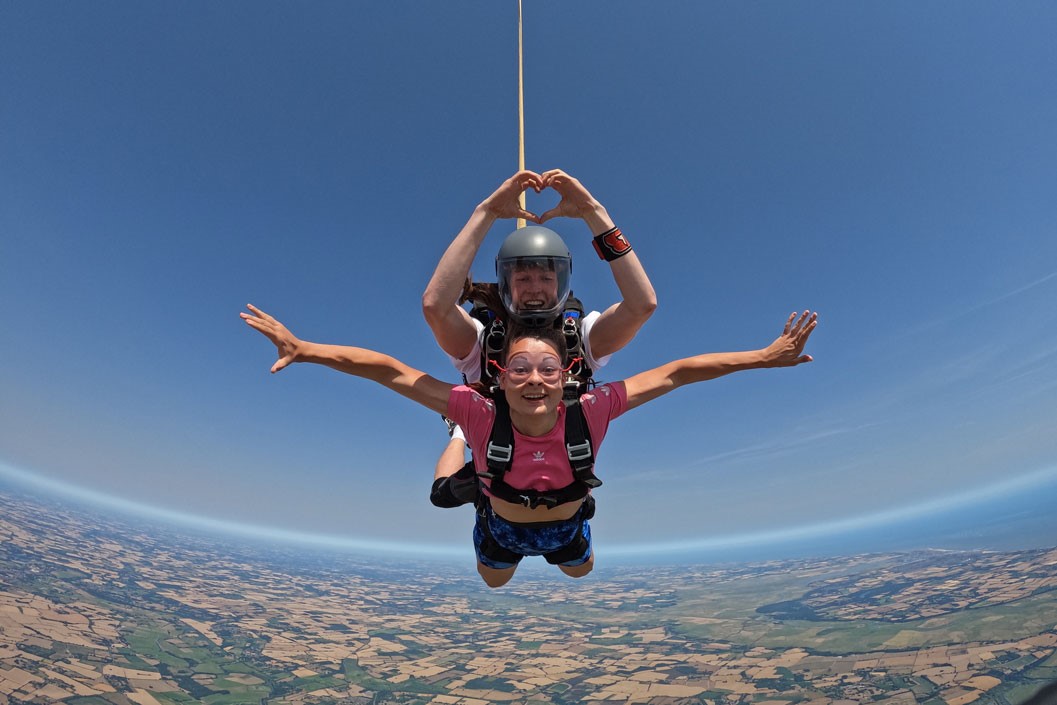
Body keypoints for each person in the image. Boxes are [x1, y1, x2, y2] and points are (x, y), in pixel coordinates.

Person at [241, 304, 819, 587]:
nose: (535, 379)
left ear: (568, 374)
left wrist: (763, 358)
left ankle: (489, 475)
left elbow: (679, 372)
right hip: (500, 525)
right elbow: (388, 371)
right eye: (520, 368)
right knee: (486, 564)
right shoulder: (476, 405)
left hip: (566, 527)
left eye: (547, 367)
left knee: (580, 573)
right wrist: (306, 348)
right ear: (499, 373)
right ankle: (456, 442)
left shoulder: (593, 408)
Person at [421, 169, 657, 504]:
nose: (534, 288)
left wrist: (595, 214)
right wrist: (484, 214)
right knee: (445, 496)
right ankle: (459, 431)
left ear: (562, 281)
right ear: (505, 283)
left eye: (545, 277)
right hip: (496, 463)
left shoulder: (580, 338)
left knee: (575, 547)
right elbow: (435, 306)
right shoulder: (482, 342)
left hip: (560, 471)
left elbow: (642, 305)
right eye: (523, 278)